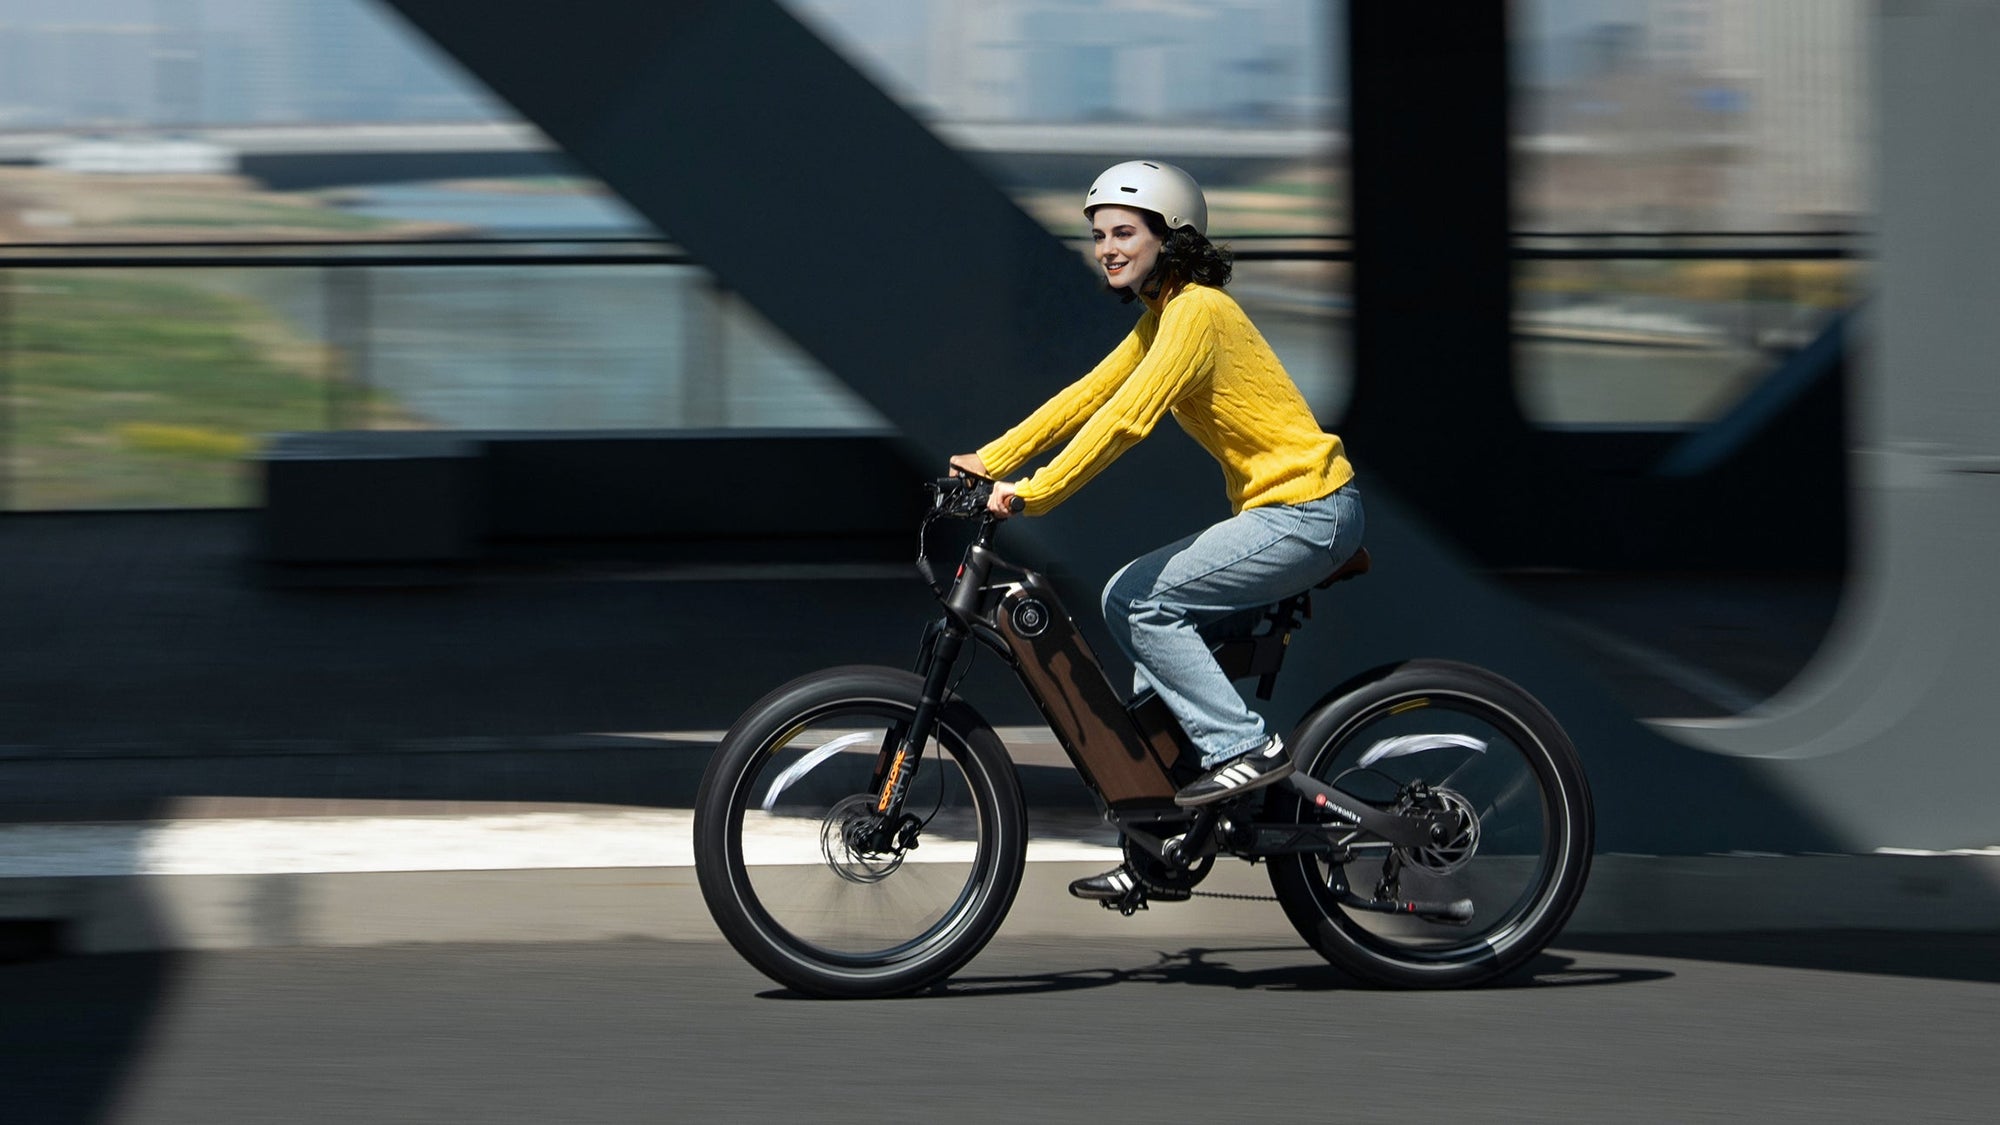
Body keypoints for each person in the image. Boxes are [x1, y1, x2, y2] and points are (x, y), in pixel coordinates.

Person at [950, 159, 1364, 902]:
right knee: (1150, 652)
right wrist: (991, 458)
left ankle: (1244, 747)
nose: (1106, 246)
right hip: (1280, 514)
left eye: (1124, 232)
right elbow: (1089, 394)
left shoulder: (1199, 312)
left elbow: (1126, 419)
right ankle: (1163, 841)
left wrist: (1033, 493)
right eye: (1099, 234)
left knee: (1138, 599)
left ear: (1170, 238)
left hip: (1309, 511)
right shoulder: (1165, 315)